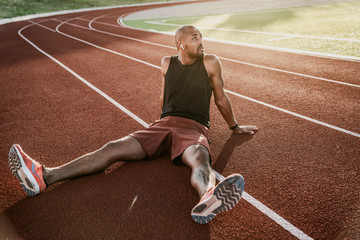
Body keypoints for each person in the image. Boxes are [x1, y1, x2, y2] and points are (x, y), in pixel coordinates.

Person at [8, 25, 258, 224]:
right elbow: (163, 97)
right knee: (111, 148)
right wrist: (160, 129)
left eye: (201, 37)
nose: (201, 41)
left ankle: (208, 197)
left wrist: (234, 126)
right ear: (181, 43)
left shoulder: (210, 62)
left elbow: (221, 97)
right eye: (195, 38)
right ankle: (44, 176)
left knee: (200, 158)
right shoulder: (166, 63)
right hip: (162, 125)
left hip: (193, 127)